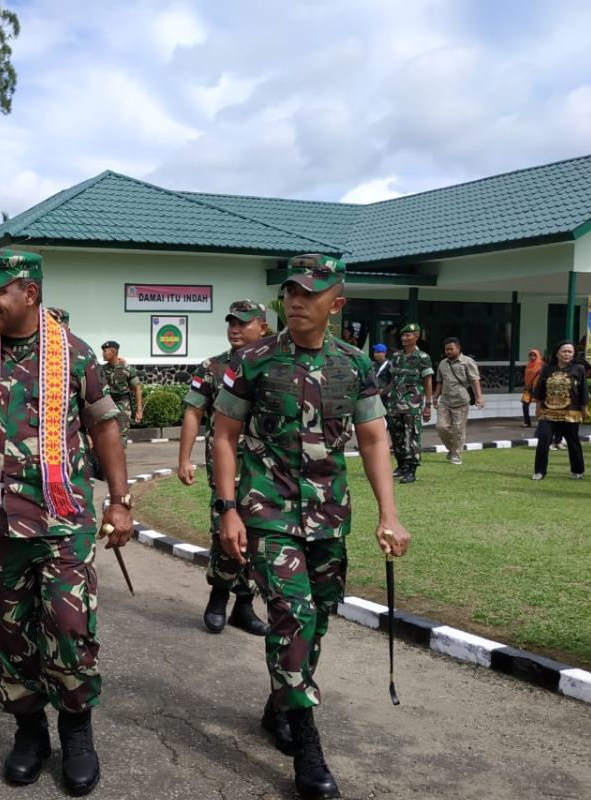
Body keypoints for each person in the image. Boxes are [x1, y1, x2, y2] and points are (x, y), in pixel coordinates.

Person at [0, 248, 132, 797]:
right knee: (6, 632)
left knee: (69, 628)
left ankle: (77, 731)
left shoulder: (76, 354)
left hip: (63, 522)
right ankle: (29, 731)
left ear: (30, 293)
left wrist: (120, 500)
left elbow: (105, 427)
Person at [210, 254, 411, 800]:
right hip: (267, 513)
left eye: (309, 293)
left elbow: (373, 439)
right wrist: (228, 507)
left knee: (317, 619)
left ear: (336, 303)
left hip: (328, 517)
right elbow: (223, 436)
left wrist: (389, 514)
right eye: (290, 291)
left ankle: (280, 703)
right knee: (292, 616)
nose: (295, 301)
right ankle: (308, 744)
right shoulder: (251, 360)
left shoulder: (356, 365)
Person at [179, 300, 270, 637]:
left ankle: (243, 606)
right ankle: (218, 599)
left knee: (256, 536)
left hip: (264, 469)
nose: (234, 328)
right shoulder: (213, 367)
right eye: (231, 322)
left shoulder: (273, 366)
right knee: (225, 530)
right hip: (226, 467)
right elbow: (193, 412)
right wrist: (183, 458)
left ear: (262, 326)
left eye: (243, 323)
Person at [382, 322, 433, 483]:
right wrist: (382, 393)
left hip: (413, 403)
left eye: (408, 335)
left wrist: (428, 405)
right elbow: (392, 379)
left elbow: (428, 381)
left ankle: (411, 469)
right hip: (394, 402)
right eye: (403, 335)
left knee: (411, 435)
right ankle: (402, 465)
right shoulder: (397, 357)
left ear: (416, 337)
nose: (404, 338)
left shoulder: (423, 357)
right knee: (396, 435)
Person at [531, 340, 587, 481]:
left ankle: (577, 470)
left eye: (570, 352)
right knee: (543, 440)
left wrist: (584, 410)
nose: (566, 354)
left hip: (570, 412)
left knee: (573, 441)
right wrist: (538, 408)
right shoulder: (547, 369)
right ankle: (539, 471)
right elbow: (540, 390)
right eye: (564, 351)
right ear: (557, 353)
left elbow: (583, 391)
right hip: (548, 411)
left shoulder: (578, 369)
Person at [434, 337, 484, 465]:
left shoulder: (467, 362)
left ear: (458, 348)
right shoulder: (442, 363)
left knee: (458, 429)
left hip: (461, 400)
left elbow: (474, 380)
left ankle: (456, 455)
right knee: (441, 427)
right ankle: (452, 448)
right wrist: (435, 396)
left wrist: (479, 397)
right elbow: (439, 382)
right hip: (445, 400)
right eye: (446, 349)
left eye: (451, 349)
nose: (448, 352)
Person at [100, 341, 142, 447]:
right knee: (106, 435)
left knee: (121, 436)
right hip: (107, 405)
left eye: (105, 351)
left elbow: (137, 388)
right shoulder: (102, 369)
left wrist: (139, 411)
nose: (103, 354)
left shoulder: (126, 368)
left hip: (123, 405)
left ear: (113, 352)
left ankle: (119, 462)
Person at [521, 348, 543, 428]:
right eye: (530, 355)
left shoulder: (542, 365)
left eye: (534, 355)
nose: (532, 357)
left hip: (538, 388)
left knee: (539, 405)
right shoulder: (528, 365)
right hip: (528, 388)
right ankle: (527, 422)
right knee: (525, 404)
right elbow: (526, 377)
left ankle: (540, 422)